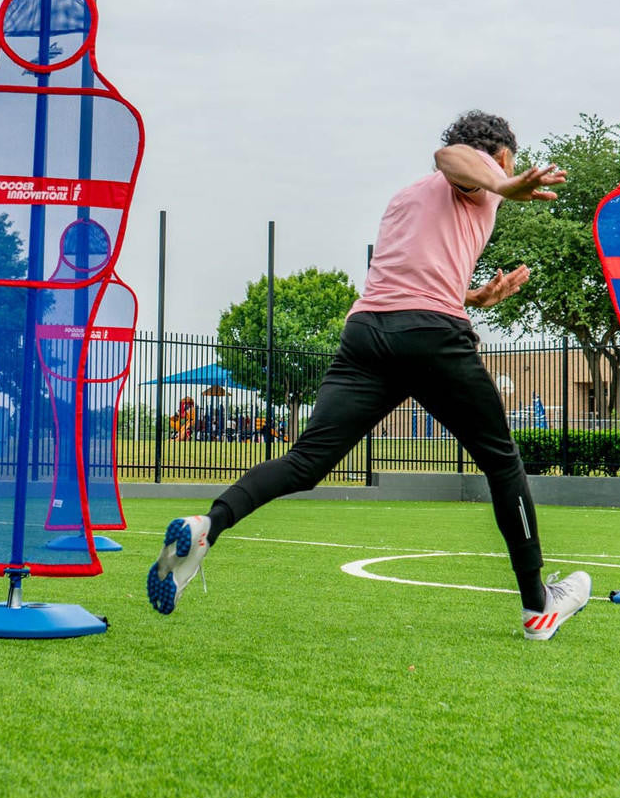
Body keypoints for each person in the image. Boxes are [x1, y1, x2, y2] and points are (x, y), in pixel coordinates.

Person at [147, 111, 592, 641]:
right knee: (502, 461)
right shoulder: (476, 176)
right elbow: (449, 158)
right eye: (508, 165)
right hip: (428, 335)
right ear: (495, 157)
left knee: (306, 462)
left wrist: (473, 298)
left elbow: (410, 279)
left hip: (368, 335)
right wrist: (505, 183)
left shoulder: (404, 198)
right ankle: (537, 606)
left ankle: (207, 527)